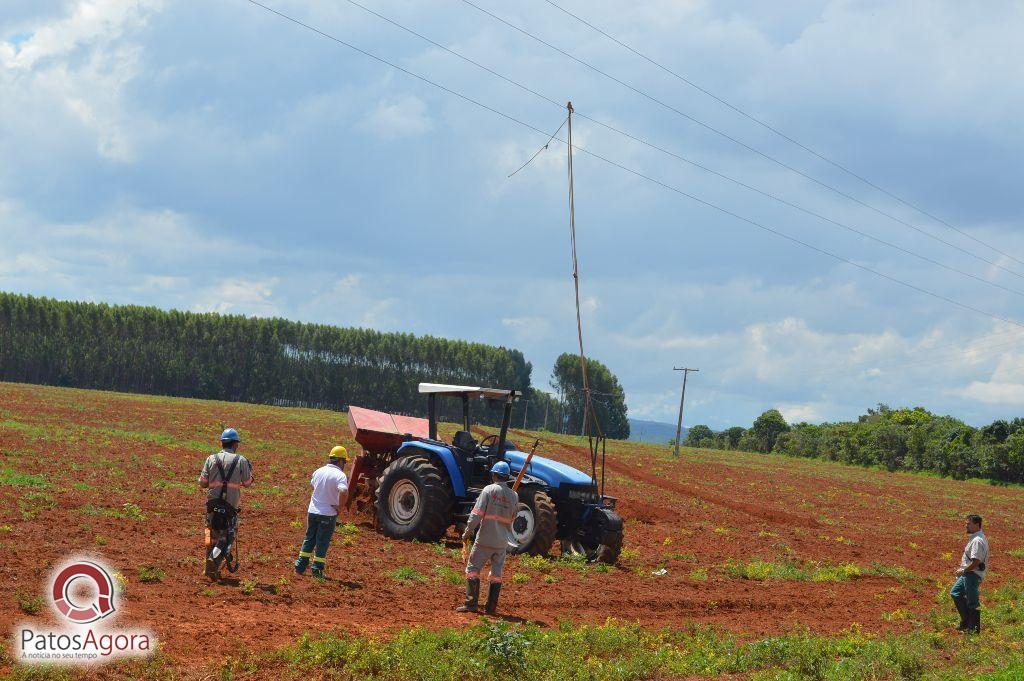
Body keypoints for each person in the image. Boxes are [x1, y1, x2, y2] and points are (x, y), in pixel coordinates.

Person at [457, 460, 518, 615]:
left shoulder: (488, 490)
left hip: (485, 539)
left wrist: (468, 531)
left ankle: (471, 604)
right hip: (502, 542)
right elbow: (513, 518)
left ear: (494, 474)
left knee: (473, 569)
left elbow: (476, 515)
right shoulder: (514, 495)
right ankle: (491, 608)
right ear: (507, 477)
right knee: (496, 575)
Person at [198, 428, 254, 581]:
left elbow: (202, 483)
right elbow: (248, 483)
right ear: (235, 444)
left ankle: (208, 567)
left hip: (212, 505)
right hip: (230, 508)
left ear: (222, 443)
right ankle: (214, 561)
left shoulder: (211, 459)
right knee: (227, 537)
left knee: (210, 535)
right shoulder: (241, 460)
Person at [295, 446, 350, 578]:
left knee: (309, 539)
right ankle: (317, 569)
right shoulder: (340, 475)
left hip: (312, 511)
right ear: (341, 461)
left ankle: (300, 566)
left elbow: (313, 484)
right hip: (328, 513)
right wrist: (339, 507)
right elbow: (343, 491)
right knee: (322, 542)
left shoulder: (318, 471)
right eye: (345, 462)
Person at [951, 513, 989, 634]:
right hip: (969, 573)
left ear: (977, 525)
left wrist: (963, 570)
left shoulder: (977, 540)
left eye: (968, 524)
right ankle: (966, 622)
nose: (966, 526)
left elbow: (976, 561)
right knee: (955, 592)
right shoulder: (976, 537)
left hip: (973, 574)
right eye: (966, 523)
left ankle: (973, 629)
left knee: (972, 601)